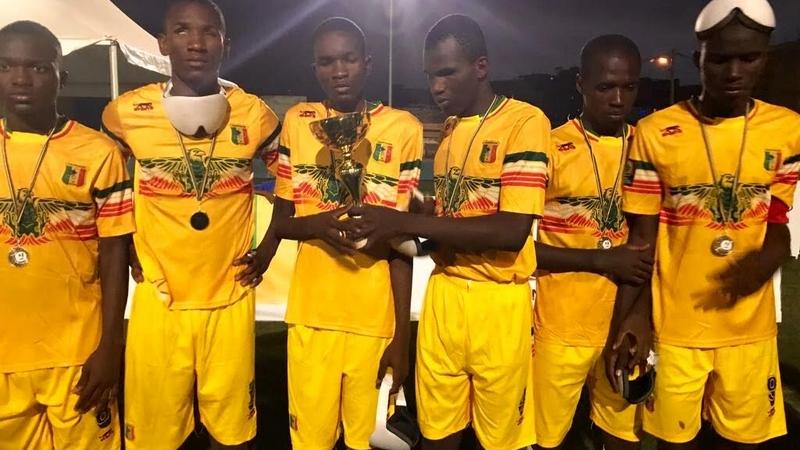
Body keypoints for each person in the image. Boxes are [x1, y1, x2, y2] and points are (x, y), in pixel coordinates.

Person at [349, 14, 548, 450]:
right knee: (438, 431)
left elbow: (512, 229)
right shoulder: (452, 129)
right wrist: (417, 210)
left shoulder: (524, 122)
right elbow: (457, 218)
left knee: (502, 440)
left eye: (446, 72)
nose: (436, 86)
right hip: (444, 296)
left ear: (480, 67)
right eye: (430, 75)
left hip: (499, 302)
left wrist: (403, 222)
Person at [609, 0, 799, 448]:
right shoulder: (655, 133)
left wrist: (772, 253)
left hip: (749, 333)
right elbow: (642, 236)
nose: (733, 71)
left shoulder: (787, 128)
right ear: (698, 57)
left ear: (764, 59)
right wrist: (636, 315)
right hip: (677, 330)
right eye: (719, 58)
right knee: (676, 442)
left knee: (742, 442)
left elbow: (777, 214)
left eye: (748, 58)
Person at [101, 0, 280, 448]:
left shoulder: (254, 113)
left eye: (208, 32)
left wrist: (270, 245)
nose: (196, 43)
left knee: (232, 435)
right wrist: (126, 246)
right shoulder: (125, 114)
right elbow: (102, 190)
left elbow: (296, 185)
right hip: (160, 298)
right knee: (155, 437)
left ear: (226, 43)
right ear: (163, 42)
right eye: (182, 31)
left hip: (230, 295)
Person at [263, 16, 422, 450]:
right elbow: (283, 222)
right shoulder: (299, 121)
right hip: (313, 315)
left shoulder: (403, 128)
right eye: (327, 62)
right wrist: (317, 226)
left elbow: (402, 240)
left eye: (349, 59)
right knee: (311, 442)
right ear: (315, 69)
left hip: (374, 319)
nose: (339, 71)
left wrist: (402, 337)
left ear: (367, 63)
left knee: (366, 441)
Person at [0, 20, 134, 449]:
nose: (21, 80)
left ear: (62, 75)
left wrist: (110, 347)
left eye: (38, 68)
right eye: (6, 66)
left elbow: (115, 255)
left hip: (77, 355)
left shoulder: (99, 153)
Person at [532, 34, 650, 450]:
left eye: (629, 86)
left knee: (622, 437)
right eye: (605, 86)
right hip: (558, 328)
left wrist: (643, 319)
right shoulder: (550, 147)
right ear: (581, 83)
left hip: (622, 326)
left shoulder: (648, 148)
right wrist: (602, 261)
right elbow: (522, 249)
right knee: (548, 439)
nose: (618, 98)